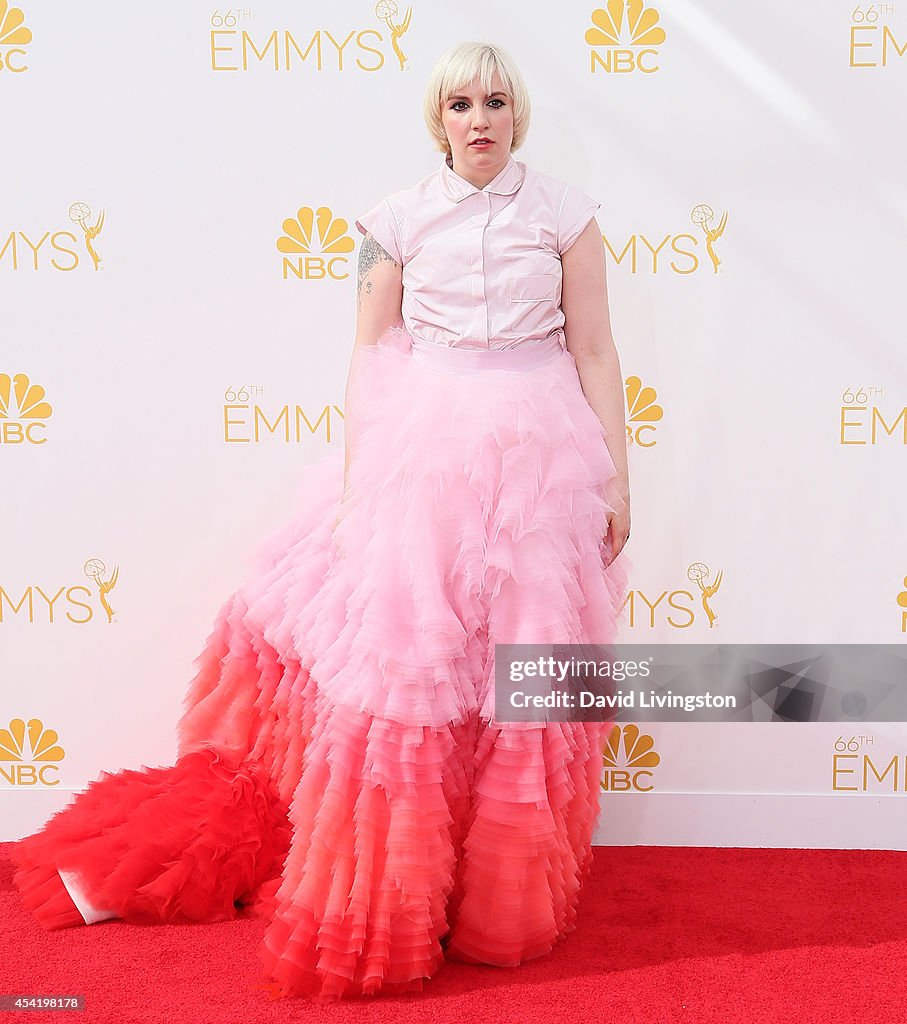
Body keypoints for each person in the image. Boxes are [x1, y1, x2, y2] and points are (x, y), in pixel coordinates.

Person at [11, 40, 632, 1001]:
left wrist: (617, 479)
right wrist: (359, 488)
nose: (479, 119)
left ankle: (495, 895)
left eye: (495, 101)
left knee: (523, 675)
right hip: (423, 454)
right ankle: (396, 889)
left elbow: (594, 350)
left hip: (544, 457)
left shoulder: (566, 216)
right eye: (460, 103)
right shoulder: (393, 223)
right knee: (413, 675)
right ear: (438, 118)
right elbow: (369, 357)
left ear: (518, 115)